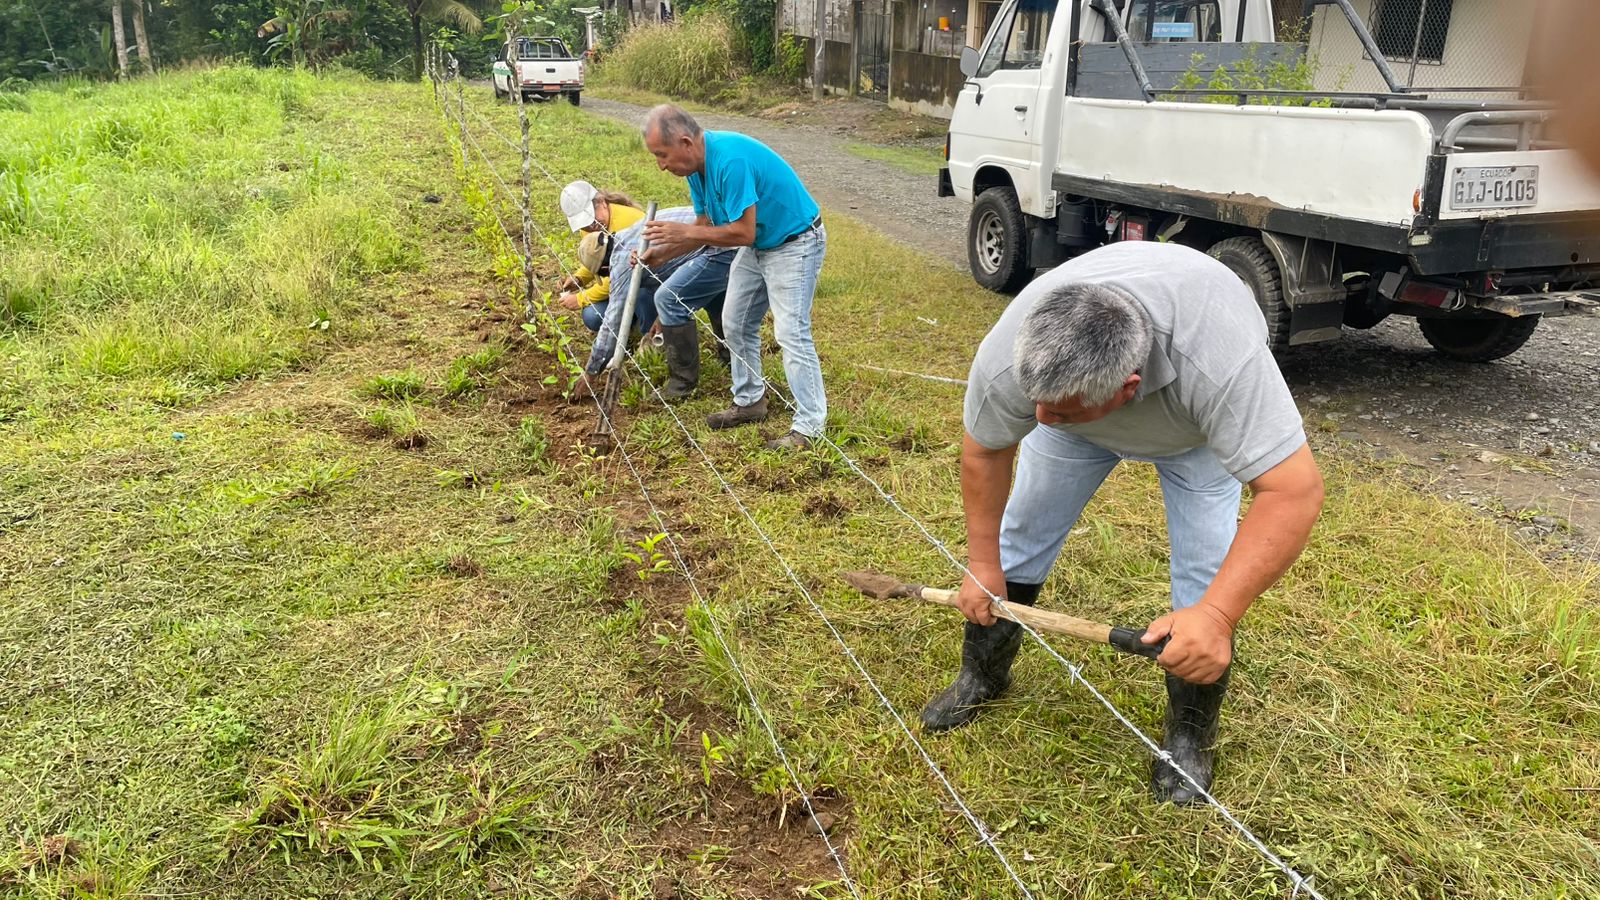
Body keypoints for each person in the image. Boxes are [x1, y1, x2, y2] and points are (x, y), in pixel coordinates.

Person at [926, 240, 1325, 806]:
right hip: (1079, 433)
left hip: (1195, 437)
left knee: (1205, 579)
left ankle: (1189, 736)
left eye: (1056, 409)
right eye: (1035, 402)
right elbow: (986, 451)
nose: (1037, 418)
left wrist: (1215, 616)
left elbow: (1293, 490)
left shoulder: (1219, 362)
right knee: (1020, 539)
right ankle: (982, 676)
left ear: (1128, 388)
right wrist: (982, 564)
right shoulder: (1015, 359)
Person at [640, 104, 828, 451]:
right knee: (735, 321)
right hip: (760, 245)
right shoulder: (696, 169)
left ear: (685, 143)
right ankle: (750, 400)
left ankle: (810, 427)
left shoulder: (730, 161)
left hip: (795, 241)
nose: (661, 165)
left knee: (791, 332)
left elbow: (742, 231)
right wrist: (661, 254)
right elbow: (704, 226)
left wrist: (683, 232)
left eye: (662, 155)